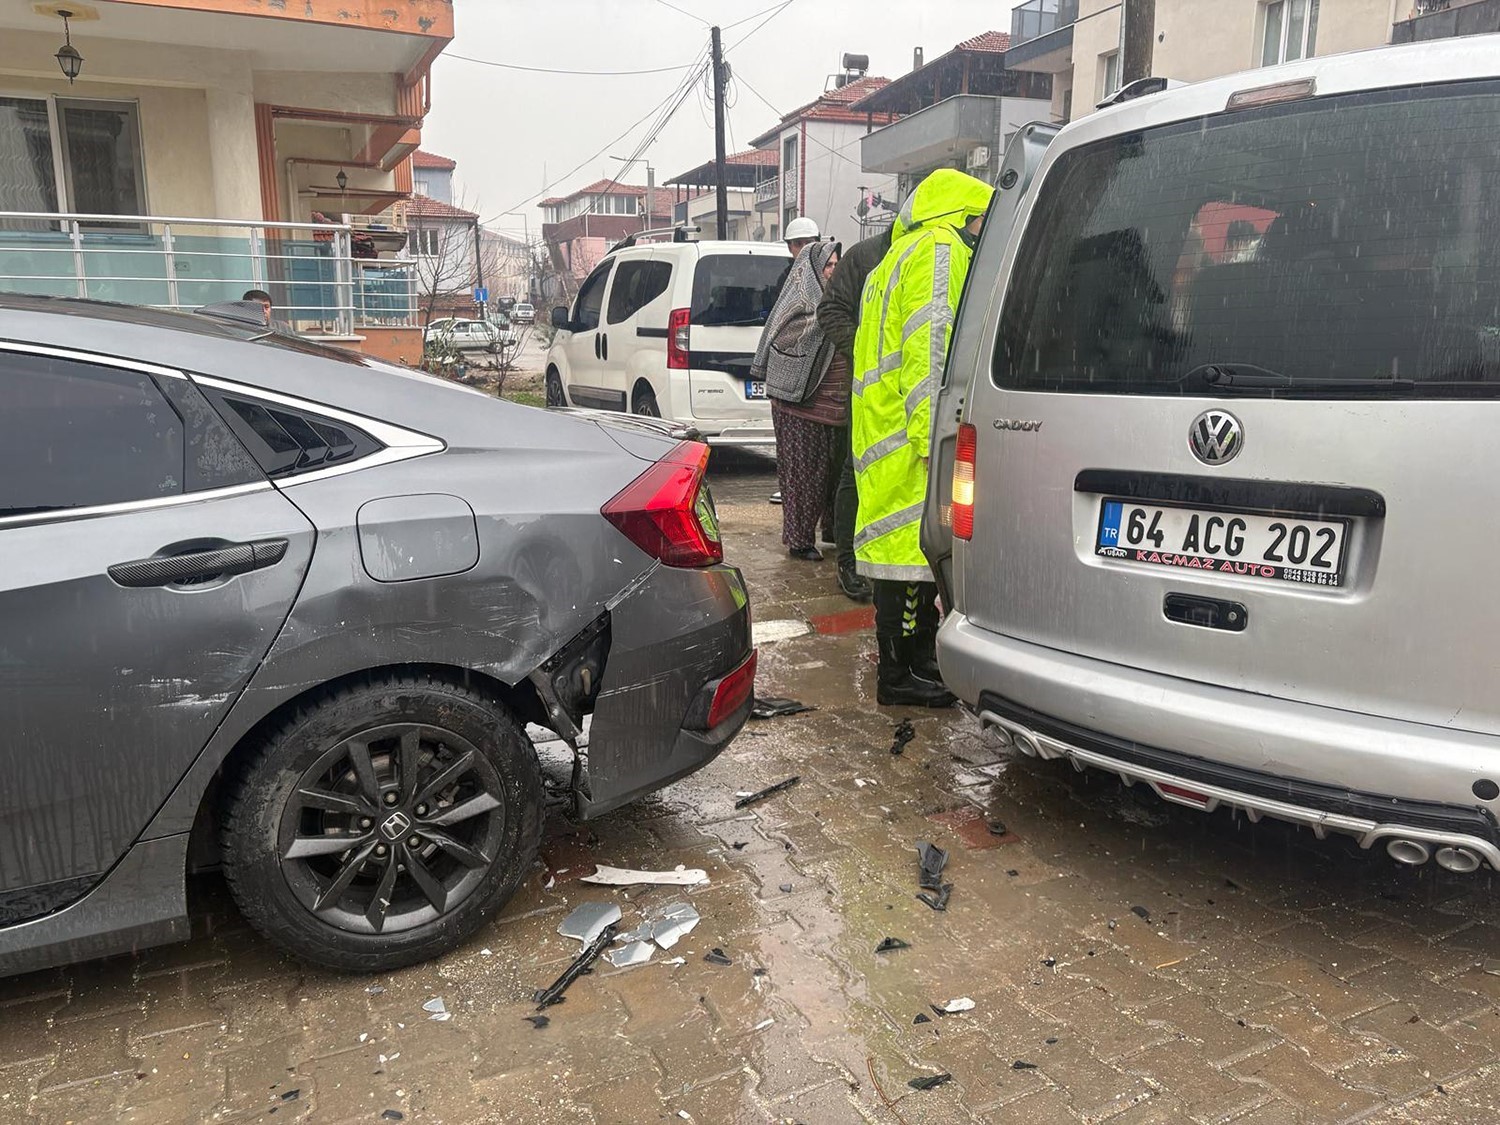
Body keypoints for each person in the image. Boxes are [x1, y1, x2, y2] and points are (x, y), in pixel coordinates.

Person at [852, 169, 993, 708]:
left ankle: (913, 661)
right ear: (965, 215)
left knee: (906, 560)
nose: (982, 235)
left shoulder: (894, 257)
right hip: (912, 439)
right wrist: (938, 440)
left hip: (883, 431)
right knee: (913, 563)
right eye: (980, 223)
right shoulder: (938, 250)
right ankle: (898, 675)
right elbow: (929, 352)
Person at [815, 225, 894, 602]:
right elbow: (829, 311)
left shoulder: (941, 249)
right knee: (856, 467)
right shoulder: (865, 256)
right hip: (868, 385)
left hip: (917, 385)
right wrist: (866, 350)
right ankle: (848, 562)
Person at [752, 241, 844, 560]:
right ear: (813, 270)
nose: (833, 270)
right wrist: (830, 319)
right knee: (804, 477)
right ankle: (800, 539)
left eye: (836, 264)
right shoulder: (801, 302)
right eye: (828, 265)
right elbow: (785, 341)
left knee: (834, 475)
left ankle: (833, 530)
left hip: (837, 407)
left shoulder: (842, 300)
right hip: (800, 407)